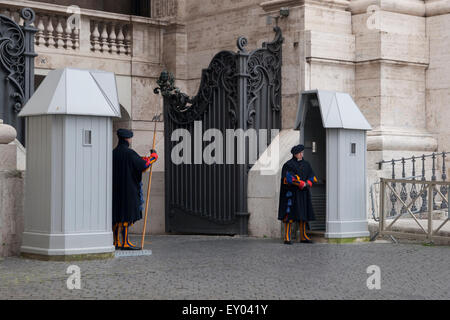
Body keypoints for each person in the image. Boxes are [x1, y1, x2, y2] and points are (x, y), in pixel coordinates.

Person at [112, 128, 158, 250]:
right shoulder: (129, 153)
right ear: (127, 139)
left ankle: (116, 242)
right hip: (128, 188)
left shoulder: (113, 152)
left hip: (115, 189)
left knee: (117, 215)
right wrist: (153, 157)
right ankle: (125, 242)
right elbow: (143, 165)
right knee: (127, 215)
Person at [278, 144, 317, 244]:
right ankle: (287, 237)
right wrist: (300, 183)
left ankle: (303, 236)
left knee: (303, 214)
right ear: (295, 154)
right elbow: (287, 179)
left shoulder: (306, 164)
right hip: (291, 194)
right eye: (300, 153)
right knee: (289, 215)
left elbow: (313, 177)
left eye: (302, 152)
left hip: (303, 193)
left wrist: (307, 183)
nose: (301, 154)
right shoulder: (288, 165)